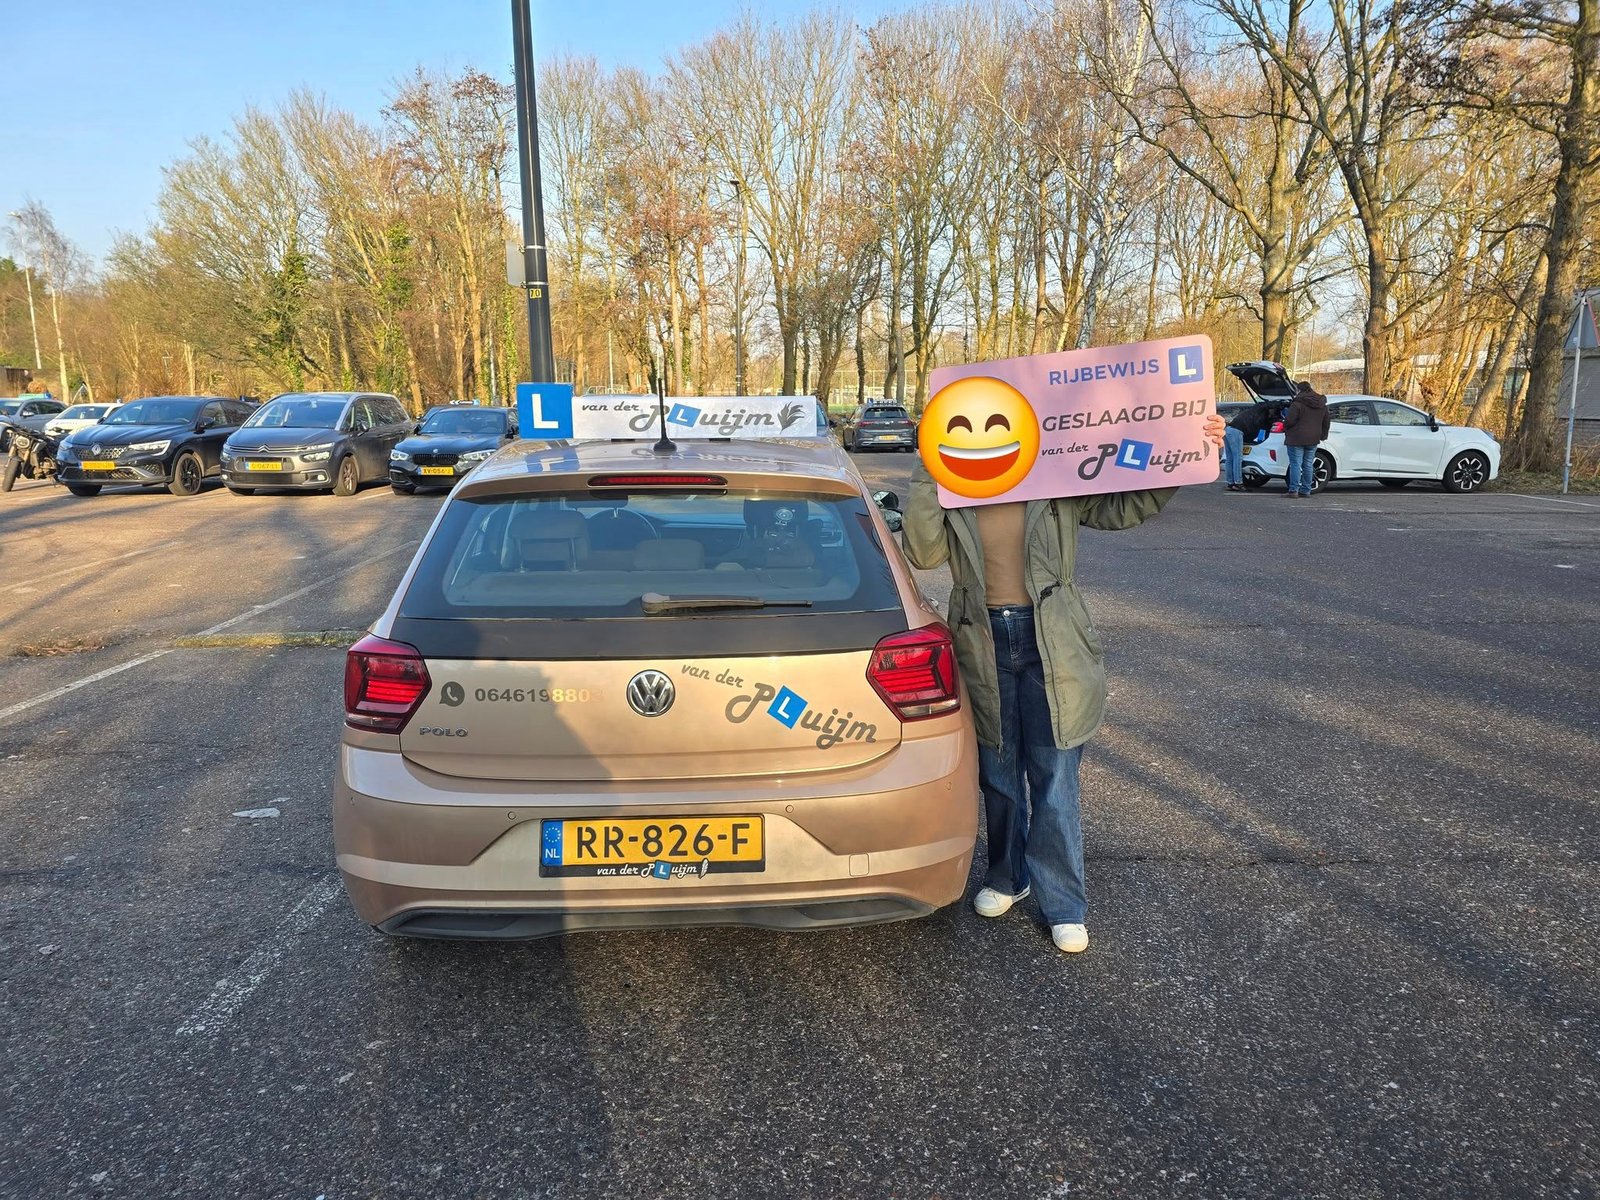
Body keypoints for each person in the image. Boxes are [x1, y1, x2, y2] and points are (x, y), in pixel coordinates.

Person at [903, 413, 1226, 954]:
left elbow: (1123, 507)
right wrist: (926, 466)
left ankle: (1062, 903)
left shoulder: (1053, 466)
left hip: (1053, 637)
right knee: (998, 772)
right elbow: (923, 551)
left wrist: (1185, 451)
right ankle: (1008, 876)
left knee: (1054, 775)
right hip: (980, 639)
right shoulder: (952, 479)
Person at [1281, 381, 1330, 497]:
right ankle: (1306, 490)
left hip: (1296, 438)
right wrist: (1323, 435)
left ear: (1299, 390)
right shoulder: (1321, 404)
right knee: (1308, 464)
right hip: (1313, 438)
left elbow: (1290, 420)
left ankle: (1293, 490)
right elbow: (1326, 421)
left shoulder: (1297, 404)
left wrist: (1285, 427)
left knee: (1295, 464)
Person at [1223, 400, 1281, 491]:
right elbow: (1265, 405)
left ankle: (1230, 483)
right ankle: (1238, 483)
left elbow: (1261, 433)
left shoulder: (1259, 415)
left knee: (1230, 459)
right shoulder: (1260, 408)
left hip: (1229, 429)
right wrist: (1283, 404)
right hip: (1237, 431)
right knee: (1237, 458)